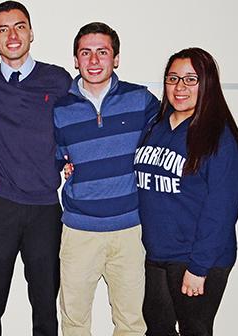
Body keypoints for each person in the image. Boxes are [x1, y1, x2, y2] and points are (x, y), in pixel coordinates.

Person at [0, 1, 72, 335]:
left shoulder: (58, 79)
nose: (12, 35)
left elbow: (79, 122)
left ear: (31, 32)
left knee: (45, 309)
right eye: (3, 29)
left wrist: (72, 159)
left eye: (20, 26)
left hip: (45, 208)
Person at [53, 22, 159, 336]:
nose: (94, 60)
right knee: (74, 322)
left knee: (130, 323)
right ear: (75, 60)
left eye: (103, 52)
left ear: (116, 58)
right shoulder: (60, 109)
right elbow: (53, 158)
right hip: (79, 231)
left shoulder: (141, 100)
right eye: (86, 53)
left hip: (129, 230)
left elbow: (169, 139)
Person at [135, 47, 238, 336]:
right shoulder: (155, 126)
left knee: (194, 330)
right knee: (157, 329)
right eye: (173, 78)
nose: (179, 87)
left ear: (207, 83)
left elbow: (222, 209)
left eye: (190, 79)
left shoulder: (219, 137)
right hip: (158, 253)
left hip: (195, 256)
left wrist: (199, 267)